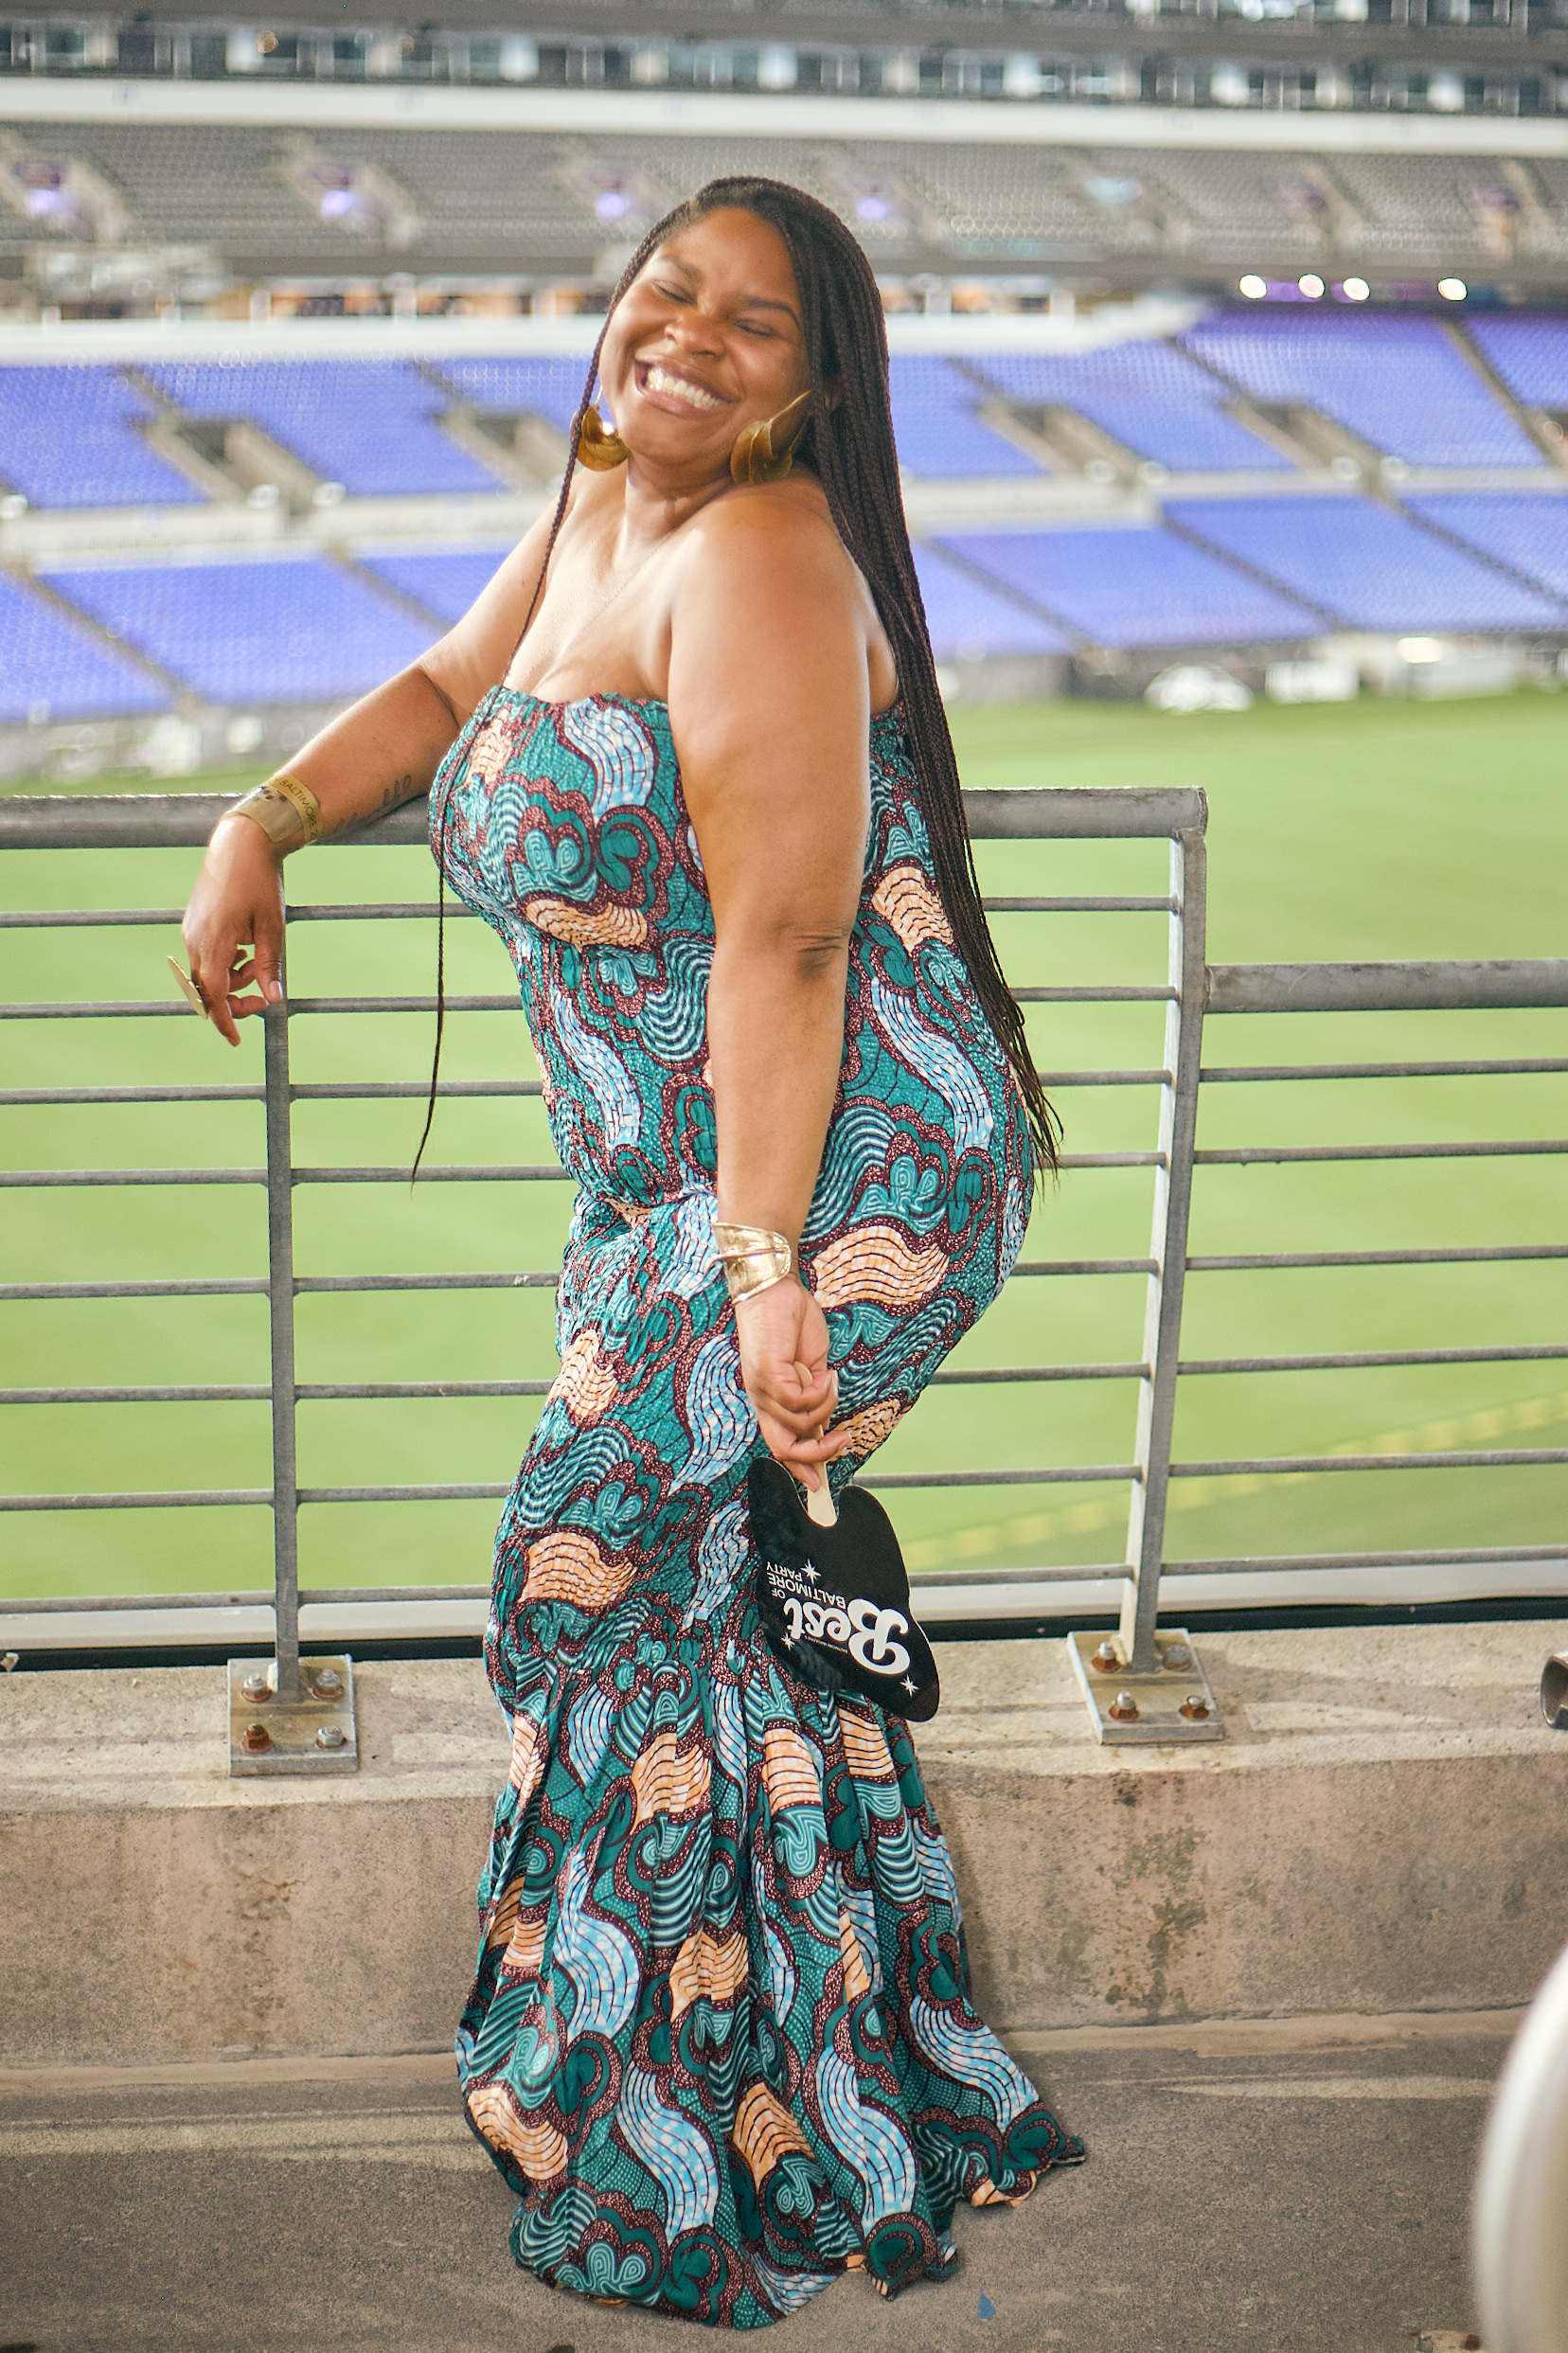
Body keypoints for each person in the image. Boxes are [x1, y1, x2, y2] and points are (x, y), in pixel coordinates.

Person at [181, 174, 1082, 2329]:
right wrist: (263, 819)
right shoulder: (603, 499)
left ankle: (683, 2115)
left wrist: (767, 1269)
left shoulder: (762, 552)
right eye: (669, 289)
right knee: (703, 1613)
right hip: (676, 1183)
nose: (688, 333)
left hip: (848, 1163)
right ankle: (821, 2071)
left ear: (812, 387)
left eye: (753, 323)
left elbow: (786, 942)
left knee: (584, 1569)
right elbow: (446, 685)